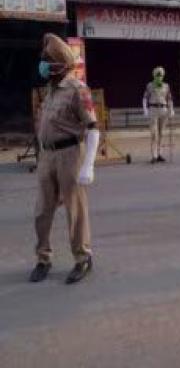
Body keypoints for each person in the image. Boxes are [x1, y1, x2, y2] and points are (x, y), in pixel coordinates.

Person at [30, 33, 100, 284]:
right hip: (47, 155)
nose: (43, 64)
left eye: (46, 60)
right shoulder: (50, 90)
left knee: (75, 210)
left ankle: (82, 258)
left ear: (59, 63)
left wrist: (89, 165)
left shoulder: (77, 90)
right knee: (41, 211)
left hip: (70, 155)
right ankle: (42, 258)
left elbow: (92, 128)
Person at [142, 67, 175, 163]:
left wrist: (171, 109)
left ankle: (159, 153)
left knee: (161, 133)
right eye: (158, 75)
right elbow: (145, 98)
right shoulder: (150, 85)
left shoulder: (166, 86)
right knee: (154, 133)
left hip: (163, 110)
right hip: (153, 109)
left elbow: (169, 99)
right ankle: (154, 155)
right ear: (154, 75)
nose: (159, 77)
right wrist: (145, 109)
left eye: (161, 75)